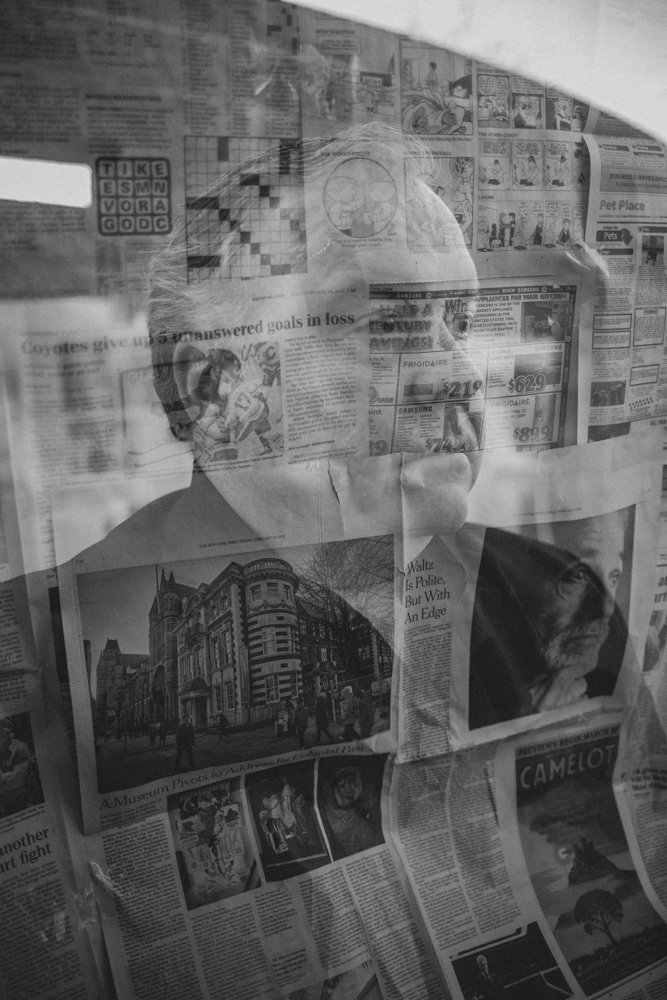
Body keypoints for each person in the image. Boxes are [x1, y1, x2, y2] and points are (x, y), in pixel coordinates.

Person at [468, 510, 629, 729]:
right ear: (513, 580)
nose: (606, 608)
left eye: (614, 576)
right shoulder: (465, 686)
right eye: (578, 576)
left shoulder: (611, 684)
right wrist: (523, 726)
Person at [318, 762, 383, 859]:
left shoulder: (367, 799)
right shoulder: (334, 813)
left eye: (351, 782)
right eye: (342, 786)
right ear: (335, 790)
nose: (349, 788)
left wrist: (359, 799)